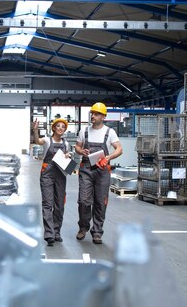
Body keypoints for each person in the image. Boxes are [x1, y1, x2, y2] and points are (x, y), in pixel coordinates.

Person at [74, 102, 122, 245]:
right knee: (83, 200)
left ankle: (97, 232)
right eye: (92, 113)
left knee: (101, 202)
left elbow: (119, 149)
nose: (93, 116)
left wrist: (108, 157)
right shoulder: (84, 131)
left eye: (96, 114)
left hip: (102, 172)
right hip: (86, 170)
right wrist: (80, 151)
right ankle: (83, 227)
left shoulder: (110, 132)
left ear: (103, 116)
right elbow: (77, 146)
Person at [33, 117, 71, 246]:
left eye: (63, 127)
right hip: (47, 175)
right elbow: (38, 141)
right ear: (54, 128)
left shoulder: (66, 144)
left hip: (61, 175)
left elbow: (68, 162)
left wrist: (68, 156)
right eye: (58, 126)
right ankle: (49, 234)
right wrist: (35, 130)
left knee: (60, 205)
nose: (61, 128)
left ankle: (57, 232)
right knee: (48, 204)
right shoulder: (47, 141)